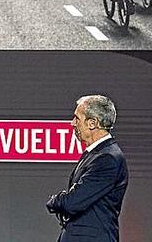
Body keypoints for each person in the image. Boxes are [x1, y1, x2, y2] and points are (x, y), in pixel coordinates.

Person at [46, 95, 128, 242]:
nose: (72, 123)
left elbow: (73, 202)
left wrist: (55, 201)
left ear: (92, 123)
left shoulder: (107, 159)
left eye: (77, 118)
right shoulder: (95, 154)